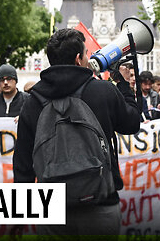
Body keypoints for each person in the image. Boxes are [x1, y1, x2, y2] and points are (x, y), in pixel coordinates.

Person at [13, 28, 140, 236]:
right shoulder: (103, 90)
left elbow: (23, 163)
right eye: (87, 54)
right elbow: (132, 123)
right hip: (101, 204)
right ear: (78, 58)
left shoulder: (33, 102)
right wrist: (124, 86)